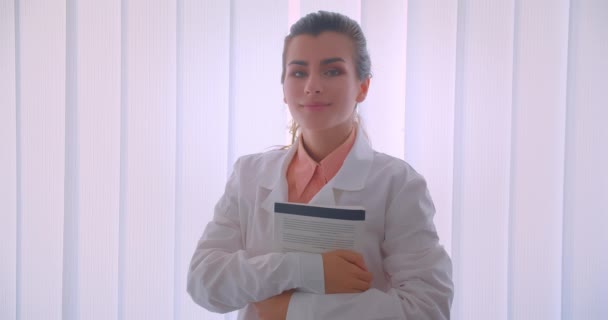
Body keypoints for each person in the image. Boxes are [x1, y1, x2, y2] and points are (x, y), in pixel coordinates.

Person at [187, 11, 453, 320]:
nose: (312, 85)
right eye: (298, 73)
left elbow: (427, 309)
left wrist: (290, 310)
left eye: (332, 71)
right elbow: (204, 283)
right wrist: (306, 269)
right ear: (283, 87)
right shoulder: (248, 174)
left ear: (363, 87)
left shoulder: (397, 184)